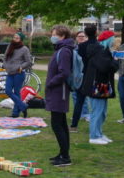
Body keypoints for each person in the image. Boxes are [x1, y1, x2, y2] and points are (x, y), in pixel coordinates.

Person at [78, 26, 117, 145]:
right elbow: (105, 67)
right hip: (97, 85)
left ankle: (99, 133)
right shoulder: (100, 51)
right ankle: (94, 136)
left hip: (102, 85)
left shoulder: (102, 51)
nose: (114, 41)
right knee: (97, 111)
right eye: (113, 39)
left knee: (102, 112)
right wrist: (115, 60)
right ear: (108, 40)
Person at [45, 25, 75, 167]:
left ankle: (65, 157)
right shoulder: (61, 49)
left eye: (54, 34)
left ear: (62, 36)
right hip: (57, 91)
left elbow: (64, 73)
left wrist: (51, 82)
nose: (52, 36)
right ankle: (63, 153)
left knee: (57, 124)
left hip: (59, 91)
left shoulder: (64, 51)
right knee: (61, 124)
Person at [3, 32, 33, 118]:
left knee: (16, 93)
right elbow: (5, 58)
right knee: (8, 91)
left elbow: (28, 62)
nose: (15, 39)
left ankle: (15, 114)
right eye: (14, 37)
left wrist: (21, 67)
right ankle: (23, 106)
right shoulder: (10, 46)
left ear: (21, 40)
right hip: (9, 73)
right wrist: (5, 66)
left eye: (17, 38)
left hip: (18, 74)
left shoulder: (24, 49)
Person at [69, 30, 92, 131]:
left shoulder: (89, 48)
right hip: (75, 76)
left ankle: (85, 114)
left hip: (86, 76)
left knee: (83, 98)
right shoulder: (73, 49)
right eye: (79, 36)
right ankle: (77, 116)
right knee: (76, 97)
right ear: (76, 38)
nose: (81, 38)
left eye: (83, 36)